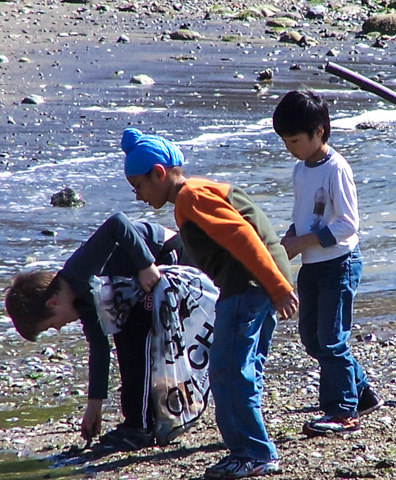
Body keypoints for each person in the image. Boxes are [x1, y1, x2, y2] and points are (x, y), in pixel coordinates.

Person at [121, 127, 298, 479]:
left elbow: (243, 236)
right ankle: (250, 442)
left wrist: (276, 287)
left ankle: (252, 451)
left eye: (138, 186)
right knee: (246, 367)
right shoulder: (200, 191)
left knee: (227, 371)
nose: (139, 197)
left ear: (158, 173)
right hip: (259, 283)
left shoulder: (191, 198)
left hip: (249, 286)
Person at [4, 212, 189, 451]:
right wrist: (94, 406)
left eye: (52, 324)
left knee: (135, 336)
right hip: (141, 285)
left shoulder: (78, 269)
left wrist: (145, 265)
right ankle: (136, 421)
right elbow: (100, 349)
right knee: (123, 336)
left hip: (166, 254)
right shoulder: (84, 304)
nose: (59, 327)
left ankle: (140, 428)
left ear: (53, 303)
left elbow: (117, 223)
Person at [272, 90, 383, 438]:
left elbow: (349, 224)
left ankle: (343, 412)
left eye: (295, 140)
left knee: (332, 339)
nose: (290, 148)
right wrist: (286, 243)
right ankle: (360, 391)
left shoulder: (337, 169)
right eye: (285, 141)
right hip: (313, 264)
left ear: (319, 132)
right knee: (312, 338)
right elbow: (304, 217)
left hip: (339, 263)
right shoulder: (300, 169)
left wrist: (302, 241)